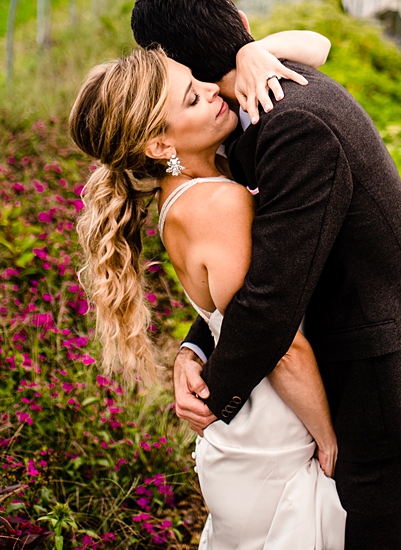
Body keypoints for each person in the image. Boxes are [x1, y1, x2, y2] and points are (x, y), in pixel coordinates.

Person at [131, 0, 401, 550]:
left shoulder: (292, 123)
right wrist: (196, 344)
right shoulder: (255, 103)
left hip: (383, 383)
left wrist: (212, 396)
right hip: (355, 366)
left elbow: (271, 301)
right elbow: (263, 265)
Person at [70, 33, 346, 549]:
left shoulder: (193, 187)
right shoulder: (216, 205)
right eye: (193, 97)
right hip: (274, 429)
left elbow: (316, 45)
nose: (213, 90)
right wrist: (328, 438)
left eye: (196, 78)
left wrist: (248, 52)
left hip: (256, 422)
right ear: (160, 146)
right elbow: (277, 341)